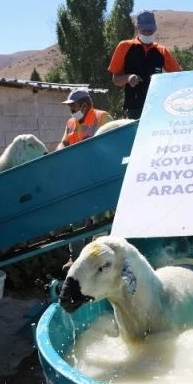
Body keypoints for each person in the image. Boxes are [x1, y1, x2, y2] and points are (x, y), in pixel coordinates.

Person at [57, 88, 113, 271]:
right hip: (79, 179)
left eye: (73, 107)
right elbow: (64, 143)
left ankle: (99, 260)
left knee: (99, 220)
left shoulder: (102, 118)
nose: (71, 111)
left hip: (99, 179)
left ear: (85, 104)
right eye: (70, 108)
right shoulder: (71, 123)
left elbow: (110, 148)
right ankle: (75, 259)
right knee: (77, 219)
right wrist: (56, 155)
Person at [107, 10, 182, 119]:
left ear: (155, 28)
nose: (147, 32)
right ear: (138, 28)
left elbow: (178, 77)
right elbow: (115, 80)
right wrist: (129, 78)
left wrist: (164, 82)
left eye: (150, 29)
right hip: (134, 109)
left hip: (158, 108)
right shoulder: (124, 47)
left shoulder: (162, 51)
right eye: (144, 29)